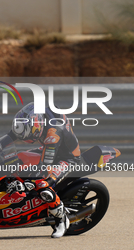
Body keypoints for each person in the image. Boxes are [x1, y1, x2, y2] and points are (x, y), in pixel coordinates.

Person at [5, 102, 81, 238]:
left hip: (66, 158)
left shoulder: (53, 134)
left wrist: (28, 183)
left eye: (29, 137)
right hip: (49, 148)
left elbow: (44, 169)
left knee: (42, 183)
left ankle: (62, 219)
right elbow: (9, 137)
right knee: (19, 159)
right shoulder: (32, 114)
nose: (27, 140)